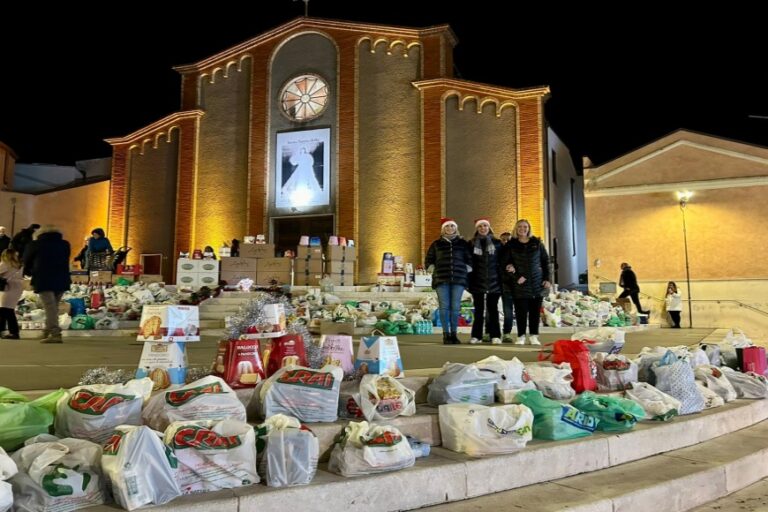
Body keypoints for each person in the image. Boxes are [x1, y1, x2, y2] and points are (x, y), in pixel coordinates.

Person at [501, 219, 551, 345]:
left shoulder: (537, 243)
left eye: (525, 227)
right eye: (519, 227)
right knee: (521, 312)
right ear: (516, 229)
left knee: (535, 312)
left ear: (529, 228)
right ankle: (521, 336)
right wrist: (516, 276)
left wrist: (547, 279)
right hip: (520, 285)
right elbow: (504, 265)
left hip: (537, 283)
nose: (522, 229)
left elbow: (545, 262)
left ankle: (534, 336)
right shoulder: (511, 245)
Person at [425, 217, 471, 344]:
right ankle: (446, 334)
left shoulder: (463, 243)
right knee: (444, 307)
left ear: (456, 228)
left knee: (455, 307)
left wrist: (467, 268)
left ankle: (454, 334)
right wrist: (431, 267)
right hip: (441, 279)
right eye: (447, 226)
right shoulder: (436, 244)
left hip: (458, 279)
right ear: (443, 229)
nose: (449, 228)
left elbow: (469, 258)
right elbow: (429, 259)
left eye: (452, 226)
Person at [23, 225, 71, 343]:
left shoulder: (35, 244)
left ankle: (55, 333)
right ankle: (47, 330)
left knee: (50, 307)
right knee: (53, 306)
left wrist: (29, 272)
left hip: (43, 278)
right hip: (62, 278)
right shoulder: (65, 244)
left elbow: (26, 260)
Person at [467, 217, 503, 345]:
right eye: (480, 226)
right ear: (477, 229)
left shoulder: (498, 243)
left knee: (493, 310)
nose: (483, 228)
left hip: (494, 281)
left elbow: (502, 262)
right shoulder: (471, 244)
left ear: (489, 227)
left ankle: (495, 335)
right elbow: (469, 262)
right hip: (477, 281)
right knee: (478, 310)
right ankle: (476, 336)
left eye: (485, 226)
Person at [0, 248, 24, 339]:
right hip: (17, 288)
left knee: (6, 310)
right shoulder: (19, 265)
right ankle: (8, 330)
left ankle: (14, 332)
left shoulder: (5, 264)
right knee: (6, 310)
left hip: (8, 288)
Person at [498, 231, 515, 341]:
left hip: (509, 284)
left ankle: (507, 333)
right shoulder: (495, 251)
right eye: (503, 239)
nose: (506, 242)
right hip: (495, 283)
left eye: (508, 239)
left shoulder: (515, 252)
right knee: (491, 310)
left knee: (508, 310)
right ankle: (489, 331)